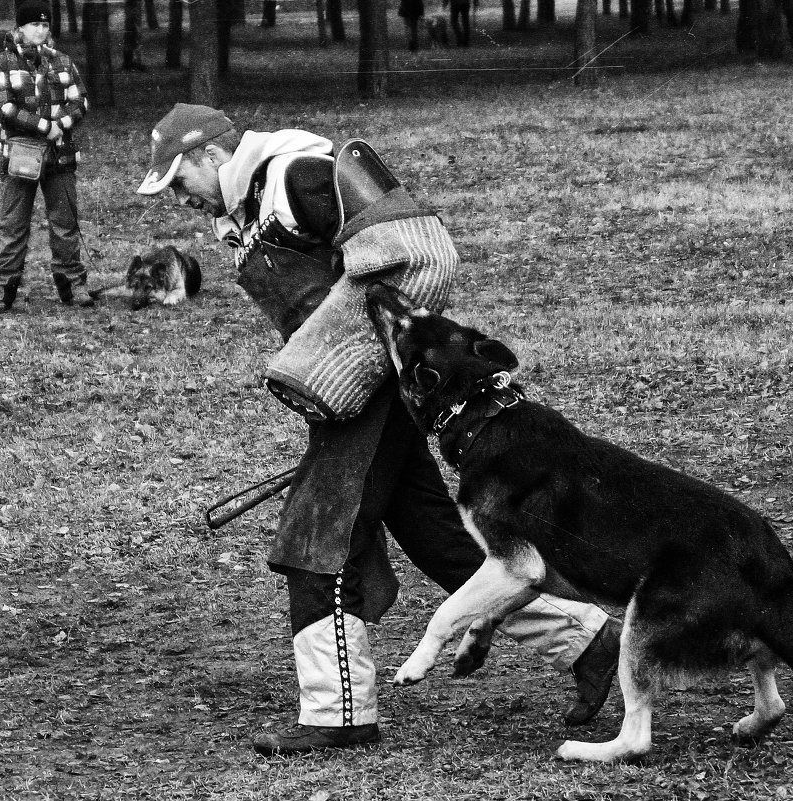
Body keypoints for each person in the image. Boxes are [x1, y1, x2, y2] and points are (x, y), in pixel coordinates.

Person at [136, 104, 621, 756]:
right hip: (354, 399)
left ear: (205, 156)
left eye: (176, 180)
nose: (179, 198)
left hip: (367, 393)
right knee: (441, 539)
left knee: (319, 535)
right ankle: (588, 638)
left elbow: (421, 254)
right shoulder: (250, 206)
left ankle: (337, 709)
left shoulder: (302, 176)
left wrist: (353, 369)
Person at [0, 0, 92, 313]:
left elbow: (80, 102)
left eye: (45, 25)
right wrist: (46, 126)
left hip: (61, 158)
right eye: (35, 25)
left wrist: (61, 126)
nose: (41, 30)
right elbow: (3, 108)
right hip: (21, 157)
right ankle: (0, 291)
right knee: (14, 226)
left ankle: (73, 287)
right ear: (20, 28)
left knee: (65, 225)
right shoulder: (2, 62)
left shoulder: (63, 61)